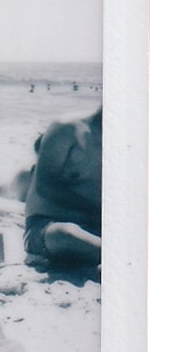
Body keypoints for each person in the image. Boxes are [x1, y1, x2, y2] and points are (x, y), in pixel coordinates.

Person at [24, 106, 102, 267]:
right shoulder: (67, 128)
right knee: (65, 235)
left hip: (98, 226)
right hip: (48, 224)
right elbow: (45, 187)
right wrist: (95, 210)